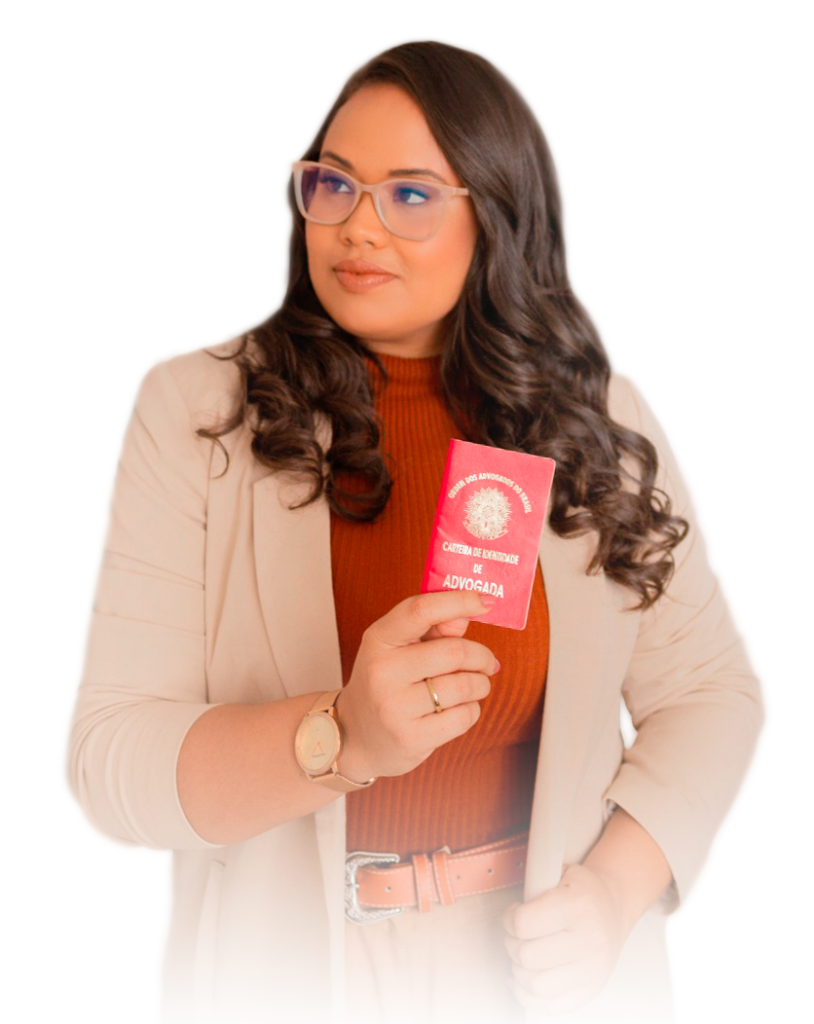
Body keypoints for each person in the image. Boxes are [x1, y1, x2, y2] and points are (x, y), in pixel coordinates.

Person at [57, 34, 773, 1024]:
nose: (358, 227)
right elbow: (106, 770)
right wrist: (340, 735)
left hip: (540, 969)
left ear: (500, 217)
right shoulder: (193, 407)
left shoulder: (601, 413)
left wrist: (614, 891)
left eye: (409, 194)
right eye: (334, 185)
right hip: (291, 973)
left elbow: (715, 694)